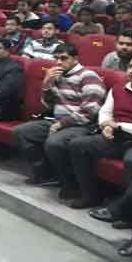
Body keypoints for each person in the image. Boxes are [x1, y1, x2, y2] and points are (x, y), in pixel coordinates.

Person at [12, 44, 106, 193]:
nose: (59, 62)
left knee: (54, 142)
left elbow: (90, 111)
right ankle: (45, 174)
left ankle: (70, 183)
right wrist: (46, 84)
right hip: (57, 120)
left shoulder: (89, 77)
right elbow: (48, 105)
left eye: (63, 58)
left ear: (75, 58)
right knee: (22, 132)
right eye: (56, 58)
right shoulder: (57, 75)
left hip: (82, 125)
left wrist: (62, 124)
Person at [69, 59, 132, 210]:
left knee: (131, 161)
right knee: (78, 145)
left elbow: (117, 124)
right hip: (116, 137)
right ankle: (91, 196)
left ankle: (125, 210)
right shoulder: (118, 88)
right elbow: (105, 112)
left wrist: (117, 126)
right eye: (131, 66)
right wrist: (105, 125)